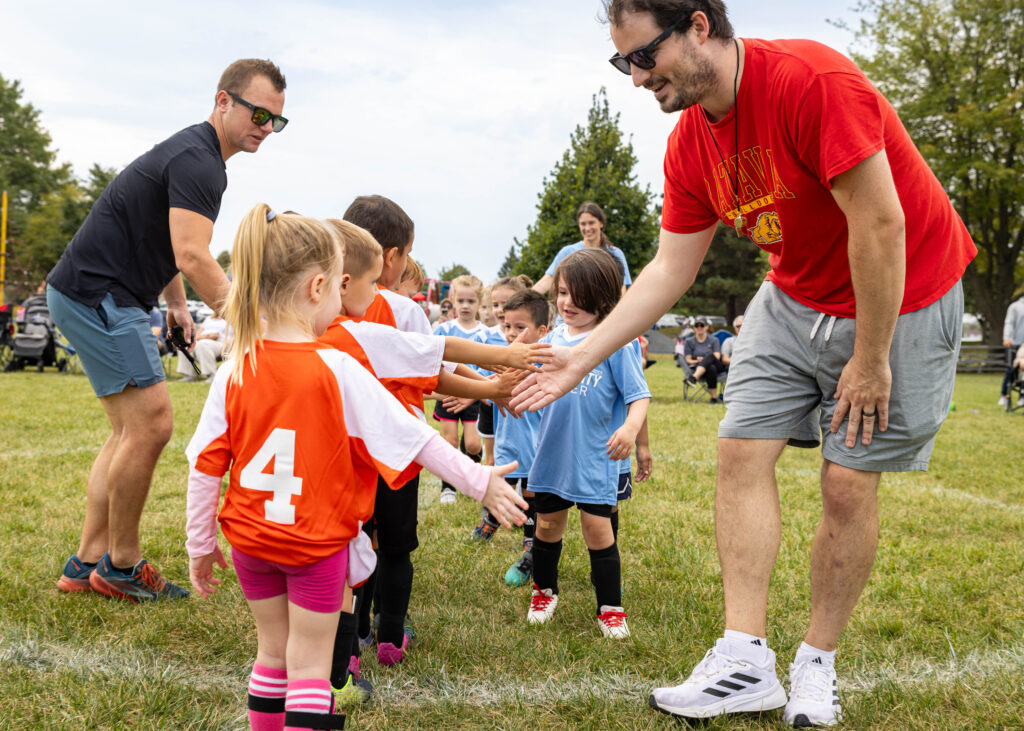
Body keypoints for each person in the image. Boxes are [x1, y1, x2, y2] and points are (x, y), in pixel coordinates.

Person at [513, 1, 976, 725]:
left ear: (699, 27)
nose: (636, 78)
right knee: (738, 451)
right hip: (792, 294)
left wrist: (871, 356)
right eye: (622, 62)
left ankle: (816, 663)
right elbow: (668, 272)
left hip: (902, 291)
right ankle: (743, 659)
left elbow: (882, 226)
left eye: (643, 57)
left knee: (847, 484)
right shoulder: (689, 145)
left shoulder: (810, 81)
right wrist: (578, 360)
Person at [185, 204, 527, 731]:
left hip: (250, 545)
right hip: (315, 547)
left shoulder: (234, 368)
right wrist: (479, 480)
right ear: (320, 286)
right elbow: (413, 437)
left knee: (270, 656)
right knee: (308, 670)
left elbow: (205, 467)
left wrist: (199, 544)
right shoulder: (337, 365)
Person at [48, 59, 288, 602]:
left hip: (96, 292)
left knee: (128, 430)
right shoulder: (201, 162)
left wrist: (177, 306)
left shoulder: (199, 157)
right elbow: (194, 253)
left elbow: (168, 242)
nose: (266, 127)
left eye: (277, 119)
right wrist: (253, 324)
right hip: (99, 295)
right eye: (257, 112)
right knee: (152, 424)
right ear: (222, 100)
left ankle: (86, 561)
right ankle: (123, 565)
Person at [525, 248, 650, 640]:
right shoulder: (552, 339)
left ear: (602, 296)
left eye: (577, 295)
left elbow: (639, 395)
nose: (567, 303)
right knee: (547, 526)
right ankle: (544, 592)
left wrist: (630, 430)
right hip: (552, 455)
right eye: (562, 293)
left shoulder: (615, 341)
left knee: (599, 531)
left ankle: (610, 607)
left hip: (596, 457)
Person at [496, 290, 550, 585]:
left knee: (532, 501)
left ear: (541, 332)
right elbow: (486, 386)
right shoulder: (500, 359)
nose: (511, 334)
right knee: (503, 494)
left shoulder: (546, 364)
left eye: (520, 328)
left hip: (535, 451)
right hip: (507, 447)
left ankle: (530, 552)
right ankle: (490, 521)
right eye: (507, 326)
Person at [432, 274, 489, 504]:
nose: (465, 306)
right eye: (461, 301)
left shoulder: (485, 333)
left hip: (473, 395)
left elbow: (487, 368)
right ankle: (448, 487)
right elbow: (433, 359)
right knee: (450, 441)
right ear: (453, 301)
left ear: (479, 303)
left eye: (471, 301)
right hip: (447, 393)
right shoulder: (443, 329)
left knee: (473, 444)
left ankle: (472, 479)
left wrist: (478, 391)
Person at [533, 201, 632, 296]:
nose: (587, 228)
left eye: (591, 223)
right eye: (583, 224)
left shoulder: (615, 253)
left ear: (601, 223)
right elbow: (547, 280)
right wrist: (523, 299)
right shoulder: (567, 252)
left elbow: (621, 289)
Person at [683, 319, 723, 403]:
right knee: (711, 368)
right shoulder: (689, 341)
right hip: (700, 367)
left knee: (710, 356)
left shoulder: (714, 340)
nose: (699, 327)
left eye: (702, 325)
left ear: (707, 327)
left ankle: (694, 378)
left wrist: (704, 359)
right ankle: (713, 398)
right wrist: (697, 361)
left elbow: (717, 356)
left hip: (717, 364)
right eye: (697, 326)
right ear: (694, 328)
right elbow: (688, 360)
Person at [177, 313, 227, 381]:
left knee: (203, 344)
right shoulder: (209, 319)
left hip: (221, 343)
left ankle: (211, 374)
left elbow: (217, 336)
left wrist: (208, 337)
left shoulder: (228, 319)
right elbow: (198, 333)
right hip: (202, 340)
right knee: (186, 345)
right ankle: (190, 375)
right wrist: (205, 336)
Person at [1000, 293, 1024, 407]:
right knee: (1011, 370)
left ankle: (1022, 396)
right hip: (1016, 343)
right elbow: (1009, 323)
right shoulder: (1016, 306)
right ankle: (1004, 395)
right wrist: (1006, 337)